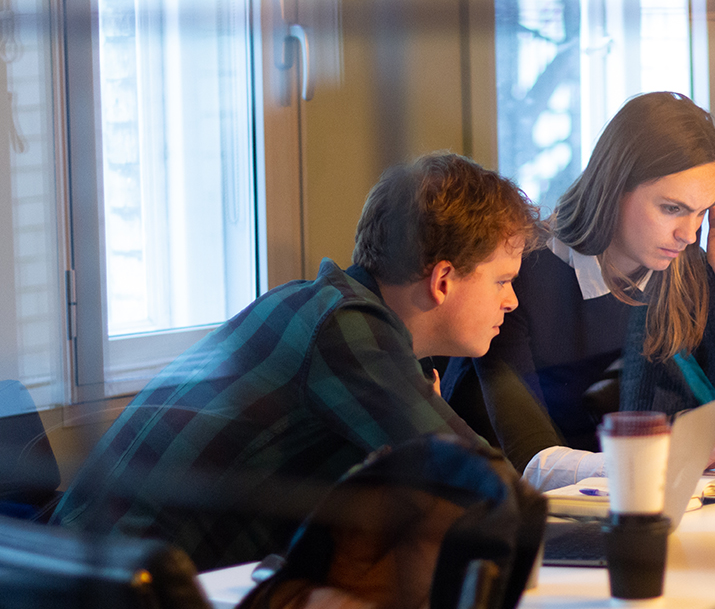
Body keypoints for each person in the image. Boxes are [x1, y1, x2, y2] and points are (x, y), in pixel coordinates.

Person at [53, 152, 539, 570]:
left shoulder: (315, 306)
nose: (512, 300)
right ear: (443, 280)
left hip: (107, 579)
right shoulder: (344, 330)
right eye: (502, 280)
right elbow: (492, 492)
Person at [442, 92, 715, 490]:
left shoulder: (686, 270)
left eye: (701, 211)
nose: (689, 234)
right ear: (614, 188)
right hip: (507, 511)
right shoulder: (518, 275)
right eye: (672, 208)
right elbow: (532, 461)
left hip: (625, 505)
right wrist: (664, 458)